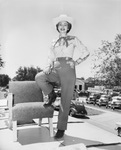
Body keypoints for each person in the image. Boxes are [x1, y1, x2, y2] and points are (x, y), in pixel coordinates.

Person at [35, 14, 90, 139]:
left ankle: (61, 128)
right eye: (60, 24)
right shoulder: (53, 41)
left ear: (68, 27)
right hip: (55, 67)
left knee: (65, 101)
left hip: (69, 70)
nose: (63, 27)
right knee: (39, 77)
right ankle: (51, 94)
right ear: (57, 27)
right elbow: (50, 56)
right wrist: (48, 66)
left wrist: (77, 61)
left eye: (65, 24)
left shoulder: (74, 39)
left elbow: (86, 51)